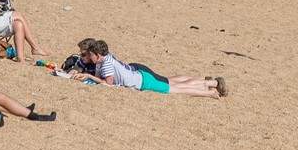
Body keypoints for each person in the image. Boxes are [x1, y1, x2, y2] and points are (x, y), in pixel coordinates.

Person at [79, 37, 222, 97]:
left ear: (97, 54)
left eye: (89, 55)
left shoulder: (106, 64)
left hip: (142, 81)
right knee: (172, 82)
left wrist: (89, 76)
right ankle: (209, 83)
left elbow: (108, 84)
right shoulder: (106, 57)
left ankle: (211, 89)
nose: (88, 58)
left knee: (176, 88)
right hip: (140, 75)